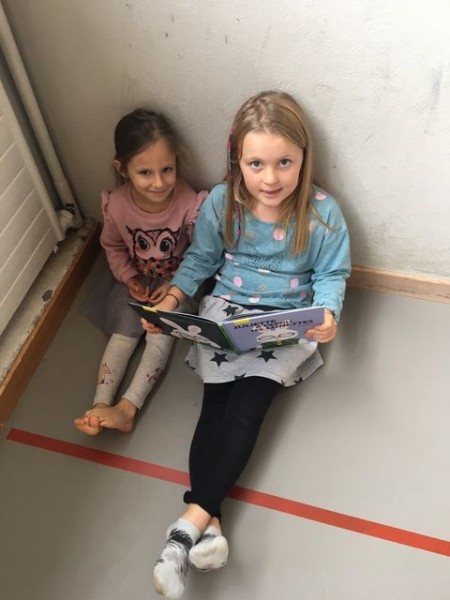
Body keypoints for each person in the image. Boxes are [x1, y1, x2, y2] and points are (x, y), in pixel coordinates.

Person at [143, 90, 351, 600]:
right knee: (213, 410)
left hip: (284, 323)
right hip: (226, 314)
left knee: (246, 410)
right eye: (256, 164)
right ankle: (210, 526)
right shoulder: (222, 202)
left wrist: (328, 314)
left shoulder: (323, 214)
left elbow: (331, 274)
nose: (271, 178)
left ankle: (183, 533)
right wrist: (172, 298)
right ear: (237, 160)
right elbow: (200, 261)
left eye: (284, 163)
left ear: (304, 158)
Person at [74, 109, 207, 435]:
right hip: (137, 282)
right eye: (145, 172)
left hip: (177, 284)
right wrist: (128, 278)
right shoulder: (118, 205)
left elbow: (200, 254)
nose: (159, 182)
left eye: (167, 169)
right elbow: (113, 246)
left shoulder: (188, 202)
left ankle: (128, 407)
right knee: (123, 332)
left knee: (158, 335)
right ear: (122, 169)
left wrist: (174, 285)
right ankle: (101, 403)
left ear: (176, 163)